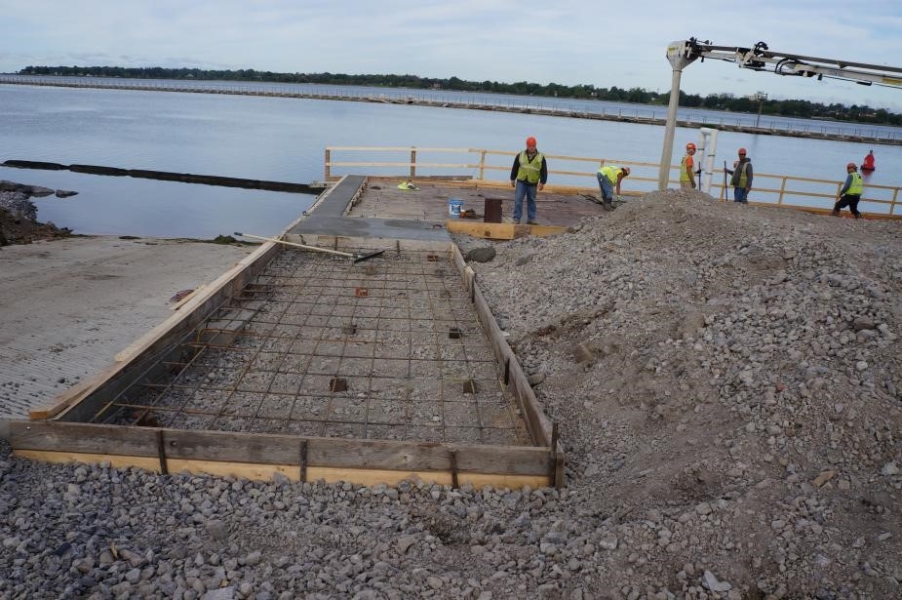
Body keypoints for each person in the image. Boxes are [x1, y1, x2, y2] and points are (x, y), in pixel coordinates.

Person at [509, 136, 547, 224]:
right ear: (527, 145)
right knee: (518, 200)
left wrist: (542, 182)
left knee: (531, 201)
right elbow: (515, 167)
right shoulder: (521, 155)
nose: (531, 147)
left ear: (535, 145)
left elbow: (544, 170)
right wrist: (512, 178)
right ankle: (516, 218)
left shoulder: (541, 157)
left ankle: (531, 219)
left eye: (533, 146)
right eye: (530, 146)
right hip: (521, 181)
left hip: (533, 183)